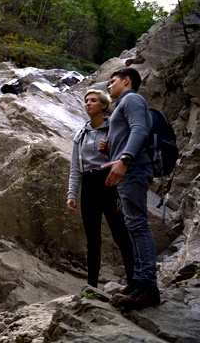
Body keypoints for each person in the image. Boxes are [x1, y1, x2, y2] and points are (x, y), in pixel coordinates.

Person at [101, 67, 160, 310]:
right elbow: (131, 133)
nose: (109, 86)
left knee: (138, 225)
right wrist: (110, 148)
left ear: (127, 81)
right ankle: (137, 281)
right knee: (132, 225)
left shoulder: (132, 98)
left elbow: (140, 130)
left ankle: (148, 286)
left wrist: (124, 159)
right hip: (129, 172)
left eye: (112, 81)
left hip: (133, 168)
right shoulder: (122, 105)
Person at [67, 89, 134, 289]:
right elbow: (75, 167)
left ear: (104, 106)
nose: (88, 103)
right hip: (89, 185)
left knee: (120, 233)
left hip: (109, 182)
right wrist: (71, 194)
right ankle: (91, 286)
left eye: (93, 100)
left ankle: (134, 279)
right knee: (92, 239)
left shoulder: (115, 129)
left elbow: (124, 159)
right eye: (86, 100)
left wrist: (122, 194)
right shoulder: (80, 134)